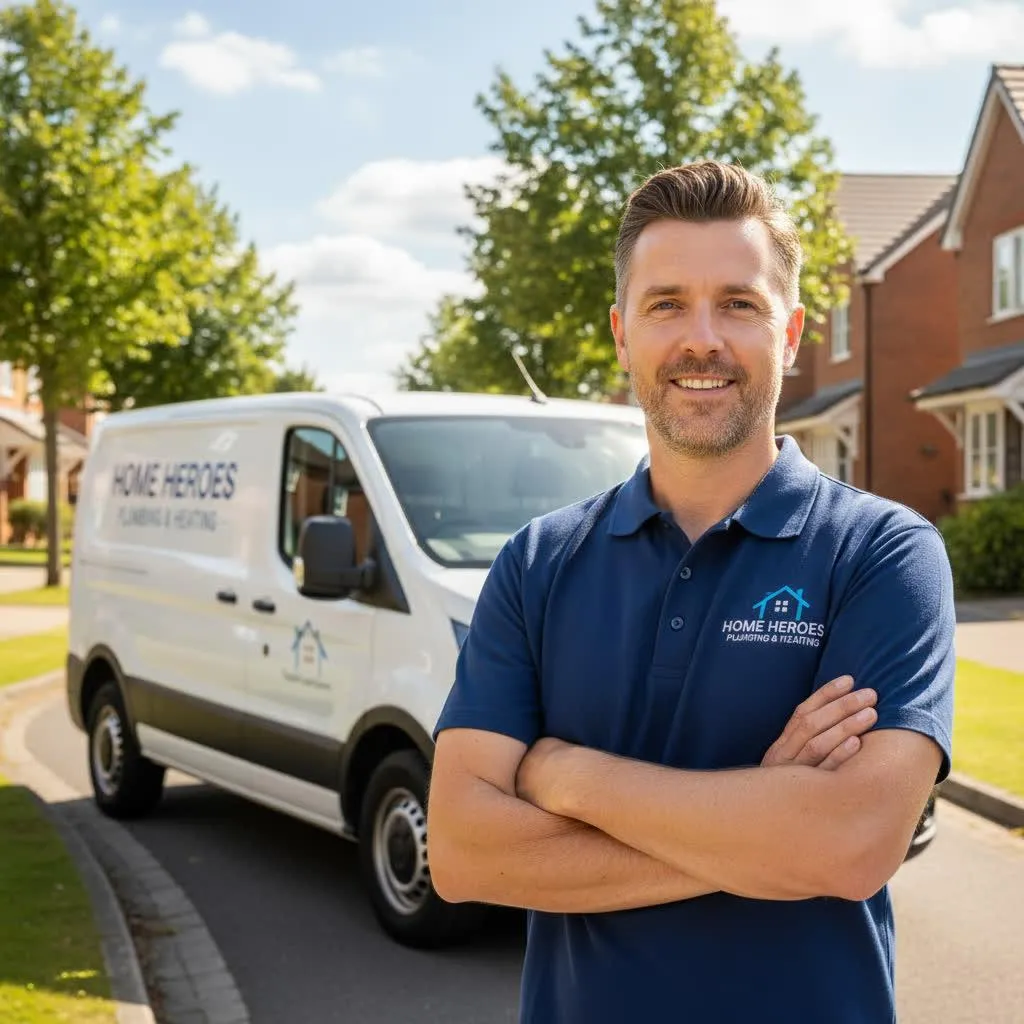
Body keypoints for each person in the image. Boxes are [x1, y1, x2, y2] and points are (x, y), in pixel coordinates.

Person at [427, 161, 955, 1023]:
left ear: (789, 336)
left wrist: (565, 774)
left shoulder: (883, 554)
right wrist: (769, 821)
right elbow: (461, 853)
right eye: (666, 303)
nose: (701, 339)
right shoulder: (539, 562)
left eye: (739, 304)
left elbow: (853, 846)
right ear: (621, 332)